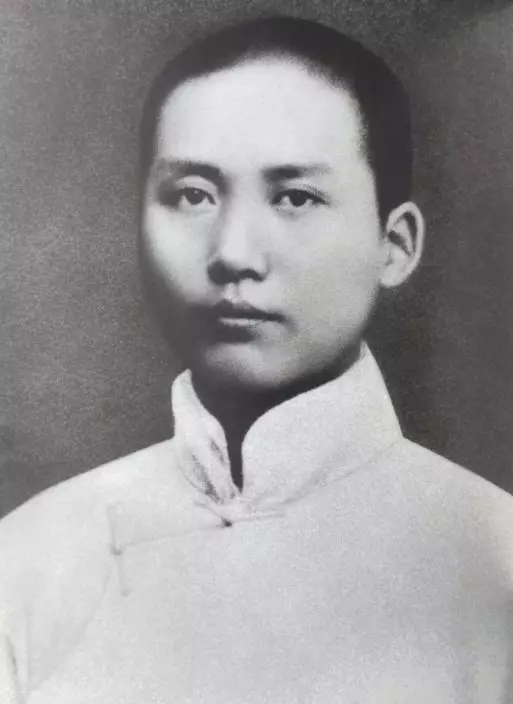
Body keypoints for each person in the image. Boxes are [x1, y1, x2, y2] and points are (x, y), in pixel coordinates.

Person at [1, 15, 512, 704]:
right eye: (192, 195)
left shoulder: (496, 564)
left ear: (393, 245)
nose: (234, 253)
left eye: (295, 197)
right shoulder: (28, 561)